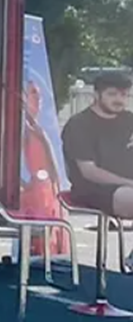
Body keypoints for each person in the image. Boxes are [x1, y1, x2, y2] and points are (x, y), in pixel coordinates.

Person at [60, 71, 133, 218]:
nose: (119, 100)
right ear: (96, 95)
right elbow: (89, 172)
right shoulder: (79, 124)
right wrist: (129, 183)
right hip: (92, 190)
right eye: (112, 94)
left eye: (124, 95)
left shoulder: (129, 120)